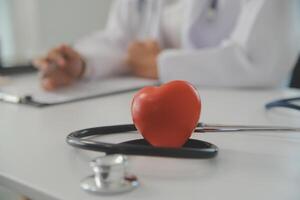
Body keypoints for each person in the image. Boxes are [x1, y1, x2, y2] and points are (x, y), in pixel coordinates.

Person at [34, 0, 300, 91]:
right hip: (158, 116)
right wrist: (81, 63)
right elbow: (121, 39)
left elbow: (263, 61)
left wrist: (160, 64)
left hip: (248, 123)